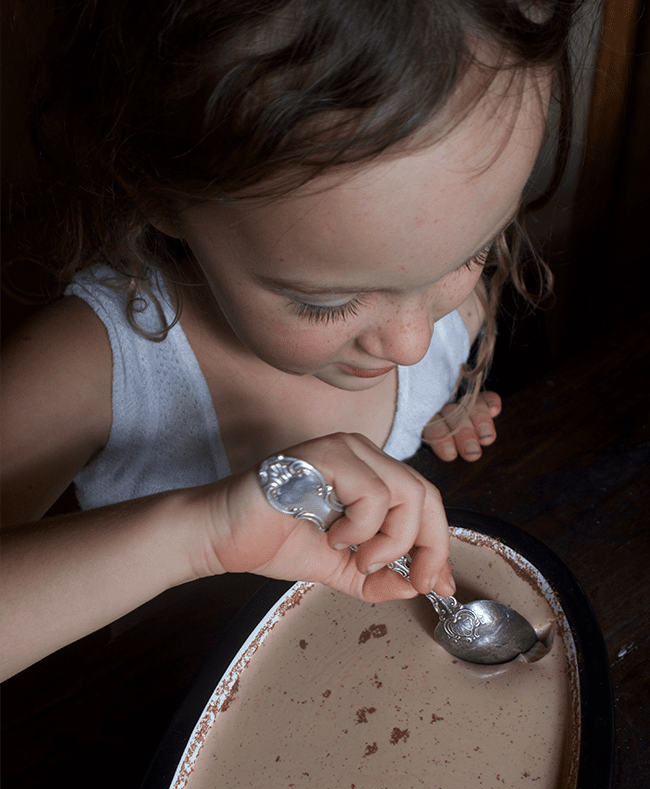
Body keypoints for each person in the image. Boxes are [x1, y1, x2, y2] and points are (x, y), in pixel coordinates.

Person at [0, 0, 580, 681]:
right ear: (159, 195)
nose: (413, 344)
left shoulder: (437, 298)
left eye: (472, 252)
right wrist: (200, 534)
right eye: (323, 302)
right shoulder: (87, 366)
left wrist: (439, 409)